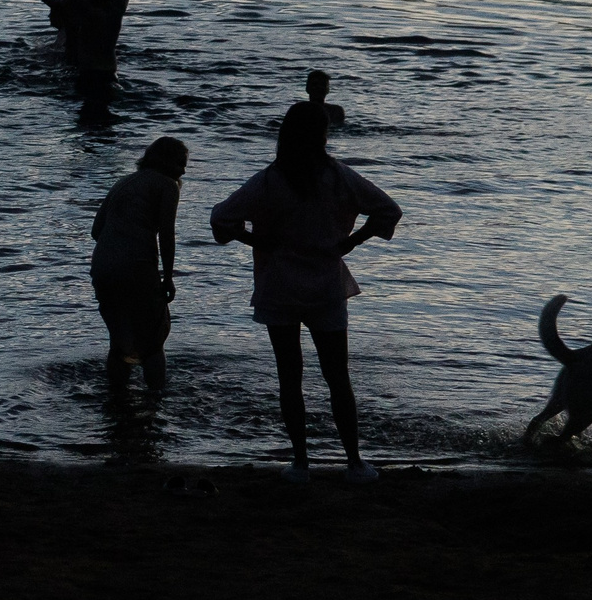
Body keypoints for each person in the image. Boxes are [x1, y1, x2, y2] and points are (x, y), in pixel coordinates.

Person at [210, 101, 401, 483]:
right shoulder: (339, 177)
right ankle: (354, 462)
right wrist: (352, 242)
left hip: (278, 285)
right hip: (326, 286)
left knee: (289, 377)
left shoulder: (269, 180)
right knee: (338, 377)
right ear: (322, 136)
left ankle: (300, 463)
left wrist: (255, 240)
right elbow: (388, 211)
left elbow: (221, 218)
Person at [91, 137, 188, 399]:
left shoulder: (123, 183)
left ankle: (116, 398)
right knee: (153, 341)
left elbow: (96, 231)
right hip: (137, 266)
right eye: (180, 163)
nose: (183, 171)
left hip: (103, 266)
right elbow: (166, 235)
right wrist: (168, 278)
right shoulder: (167, 185)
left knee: (119, 339)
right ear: (165, 162)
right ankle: (156, 400)